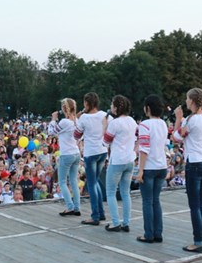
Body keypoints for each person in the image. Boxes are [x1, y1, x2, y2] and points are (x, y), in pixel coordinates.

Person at [173, 88, 202, 253]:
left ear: (192, 101)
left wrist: (178, 119)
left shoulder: (190, 120)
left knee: (194, 205)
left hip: (193, 163)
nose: (186, 102)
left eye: (187, 99)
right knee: (201, 204)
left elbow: (176, 138)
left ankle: (198, 242)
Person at [134, 95, 168, 243]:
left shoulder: (145, 125)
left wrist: (140, 170)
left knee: (147, 201)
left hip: (149, 167)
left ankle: (148, 234)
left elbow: (144, 149)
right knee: (156, 201)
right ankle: (158, 233)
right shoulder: (163, 124)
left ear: (147, 108)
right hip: (161, 166)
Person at [103, 95, 137, 232]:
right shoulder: (133, 121)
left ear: (116, 107)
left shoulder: (115, 123)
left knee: (110, 192)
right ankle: (126, 222)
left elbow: (105, 142)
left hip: (117, 160)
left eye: (112, 105)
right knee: (125, 192)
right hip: (129, 160)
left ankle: (115, 222)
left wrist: (104, 127)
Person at [75, 92, 109, 225]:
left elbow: (76, 135)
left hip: (91, 153)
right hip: (102, 151)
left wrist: (79, 116)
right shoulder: (104, 115)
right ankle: (100, 213)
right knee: (96, 181)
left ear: (87, 103)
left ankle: (95, 215)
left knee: (91, 183)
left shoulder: (84, 118)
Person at [48, 98, 81, 217]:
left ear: (64, 108)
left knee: (62, 181)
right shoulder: (76, 121)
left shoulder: (64, 122)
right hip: (76, 153)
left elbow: (51, 132)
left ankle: (70, 206)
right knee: (73, 181)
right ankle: (77, 207)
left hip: (66, 154)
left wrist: (53, 120)